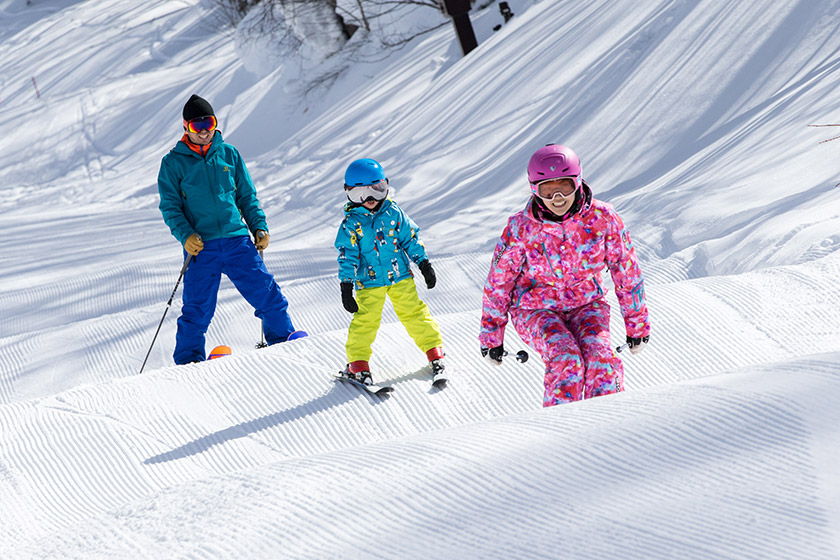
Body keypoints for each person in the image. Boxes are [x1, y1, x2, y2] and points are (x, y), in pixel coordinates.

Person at [479, 144, 650, 406]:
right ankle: (563, 432)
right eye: (547, 190)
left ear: (578, 182)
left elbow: (626, 271)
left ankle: (611, 424)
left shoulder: (603, 218)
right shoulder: (521, 227)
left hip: (587, 304)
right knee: (566, 359)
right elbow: (499, 283)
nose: (557, 198)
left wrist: (636, 325)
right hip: (535, 309)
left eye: (565, 187)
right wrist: (492, 336)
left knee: (601, 359)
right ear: (534, 189)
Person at [157, 94, 305, 364]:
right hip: (202, 247)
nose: (204, 132)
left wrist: (258, 226)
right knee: (197, 310)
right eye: (196, 127)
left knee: (267, 293)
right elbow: (170, 207)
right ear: (185, 127)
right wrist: (186, 235)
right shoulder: (173, 163)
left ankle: (282, 340)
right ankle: (189, 361)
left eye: (208, 124)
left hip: (238, 241)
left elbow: (246, 197)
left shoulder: (229, 154)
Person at [334, 158, 444, 385]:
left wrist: (423, 263)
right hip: (368, 282)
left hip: (400, 277)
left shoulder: (394, 213)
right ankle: (358, 363)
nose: (370, 199)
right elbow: (347, 256)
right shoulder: (351, 223)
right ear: (349, 194)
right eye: (360, 194)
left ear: (385, 185)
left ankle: (435, 353)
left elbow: (410, 239)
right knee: (365, 321)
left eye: (376, 189)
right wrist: (346, 285)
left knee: (414, 314)